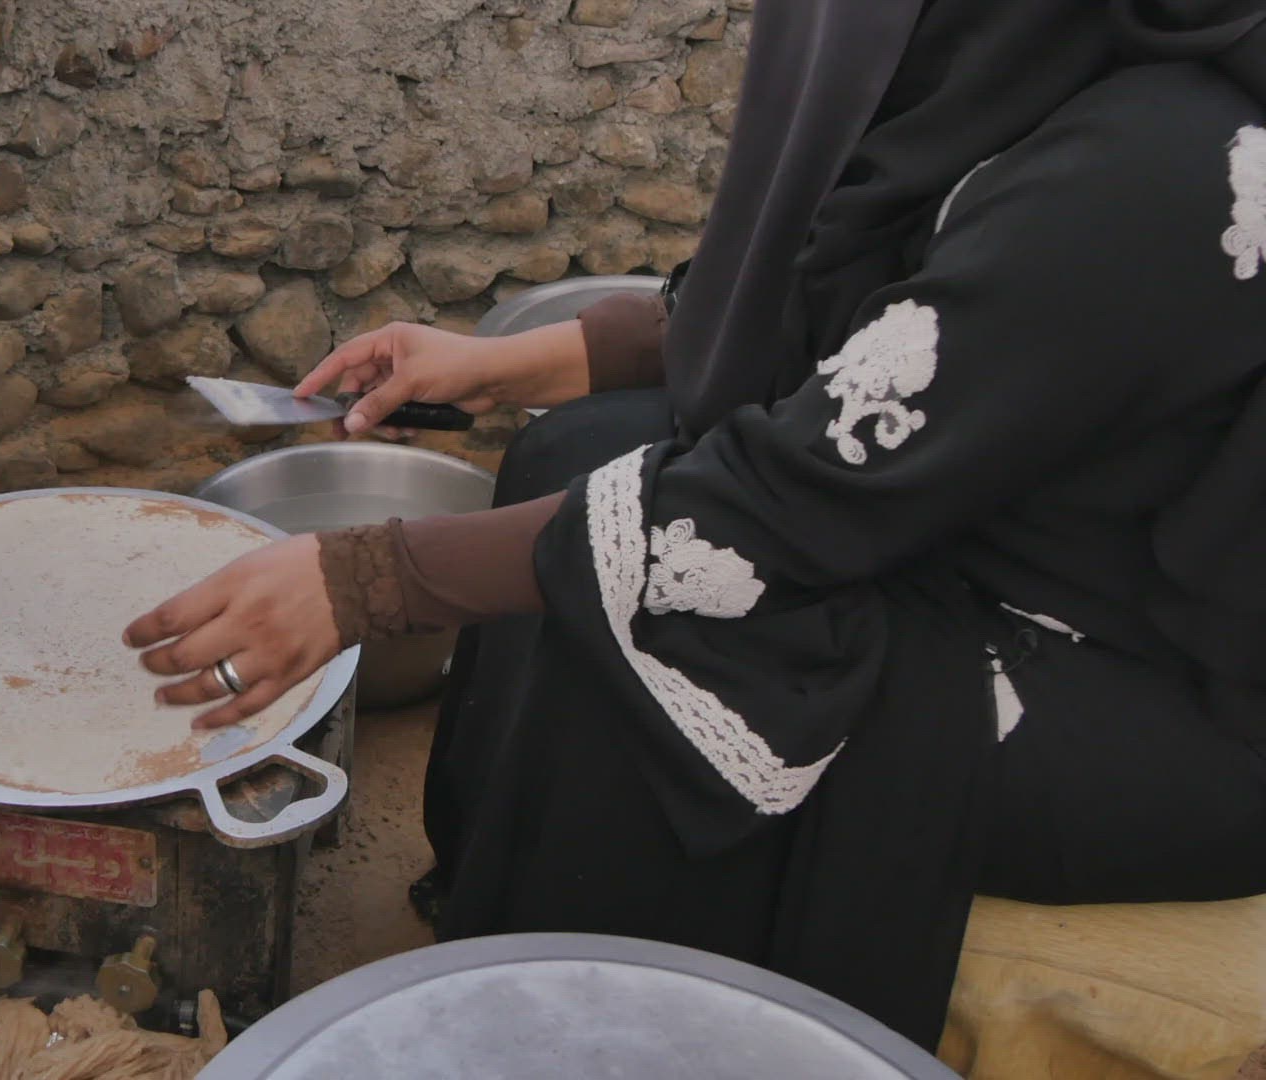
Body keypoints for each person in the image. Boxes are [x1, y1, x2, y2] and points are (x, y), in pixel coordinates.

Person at [126, 0, 1266, 1049]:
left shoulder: (1163, 165)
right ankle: (497, 928)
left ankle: (592, 1040)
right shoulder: (1035, 63)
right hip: (988, 504)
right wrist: (495, 364)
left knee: (655, 640)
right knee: (574, 455)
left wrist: (368, 581)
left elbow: (784, 503)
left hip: (1146, 683)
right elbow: (824, 305)